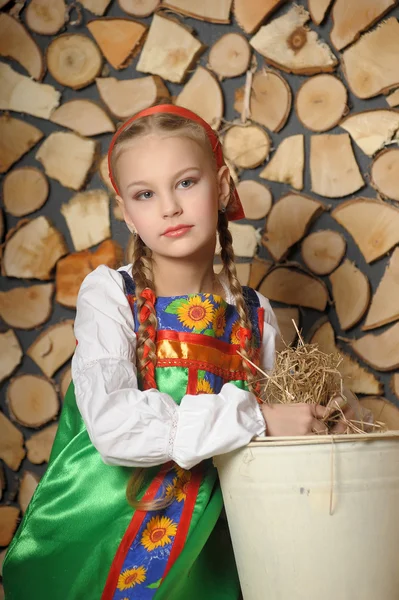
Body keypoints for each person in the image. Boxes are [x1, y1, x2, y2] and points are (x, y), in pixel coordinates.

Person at [3, 104, 333, 600]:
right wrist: (260, 418)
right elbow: (113, 427)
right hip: (103, 536)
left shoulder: (256, 314)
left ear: (221, 187)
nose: (169, 208)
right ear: (125, 211)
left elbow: (271, 443)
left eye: (185, 183)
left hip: (210, 548)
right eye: (145, 194)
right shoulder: (110, 295)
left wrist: (323, 422)